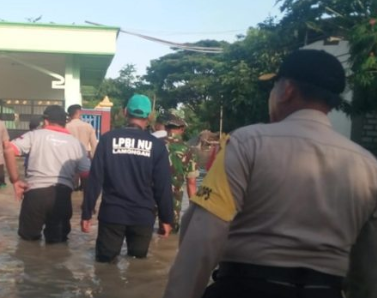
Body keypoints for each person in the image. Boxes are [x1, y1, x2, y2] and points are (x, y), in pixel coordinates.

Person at [163, 49, 377, 298]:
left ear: (286, 91)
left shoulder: (246, 144)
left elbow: (203, 236)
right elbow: (369, 265)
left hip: (244, 287)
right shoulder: (368, 165)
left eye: (273, 87)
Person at [81, 94, 174, 262]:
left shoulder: (108, 139)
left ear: (125, 112)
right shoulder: (157, 146)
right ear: (149, 116)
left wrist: (87, 213)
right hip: (143, 216)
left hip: (112, 214)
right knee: (137, 267)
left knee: (104, 266)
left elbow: (95, 179)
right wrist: (166, 219)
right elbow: (163, 187)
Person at [3, 105, 91, 244]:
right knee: (58, 244)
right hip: (62, 196)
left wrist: (15, 180)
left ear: (46, 121)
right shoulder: (77, 144)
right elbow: (87, 176)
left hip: (35, 195)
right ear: (64, 123)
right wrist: (87, 207)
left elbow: (8, 150)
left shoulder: (34, 135)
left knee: (28, 243)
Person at [159, 110, 199, 232]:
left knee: (143, 233)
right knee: (170, 233)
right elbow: (191, 183)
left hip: (150, 196)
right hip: (173, 200)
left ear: (165, 128)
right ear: (182, 129)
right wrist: (194, 209)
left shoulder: (154, 144)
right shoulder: (189, 150)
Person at [66, 104, 99, 191]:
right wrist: (94, 158)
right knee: (86, 185)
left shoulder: (66, 127)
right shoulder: (88, 126)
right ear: (79, 112)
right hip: (84, 156)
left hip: (69, 157)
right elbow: (94, 145)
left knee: (70, 185)